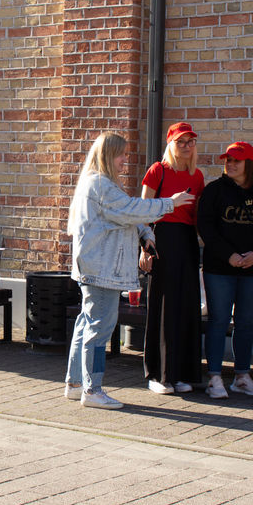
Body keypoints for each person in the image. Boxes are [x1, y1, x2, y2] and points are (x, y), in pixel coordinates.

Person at [66, 132, 193, 409]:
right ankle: (92, 389)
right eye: (121, 154)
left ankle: (76, 384)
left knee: (86, 324)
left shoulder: (101, 183)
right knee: (99, 330)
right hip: (101, 270)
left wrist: (145, 233)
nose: (126, 159)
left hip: (95, 268)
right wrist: (170, 203)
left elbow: (125, 215)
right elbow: (129, 209)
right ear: (108, 155)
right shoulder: (101, 185)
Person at [196, 142, 253, 399]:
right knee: (218, 321)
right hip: (220, 268)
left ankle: (242, 376)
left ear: (248, 164)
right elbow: (205, 227)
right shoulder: (214, 190)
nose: (230, 165)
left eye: (236, 161)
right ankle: (215, 378)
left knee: (245, 323)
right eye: (228, 160)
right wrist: (228, 255)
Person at [139, 122, 205, 395]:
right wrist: (144, 249)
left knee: (186, 306)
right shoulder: (158, 170)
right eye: (181, 142)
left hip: (187, 242)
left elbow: (197, 217)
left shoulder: (197, 176)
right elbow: (143, 212)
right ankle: (158, 374)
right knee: (163, 306)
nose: (187, 146)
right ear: (171, 144)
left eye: (190, 141)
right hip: (161, 240)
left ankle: (181, 374)